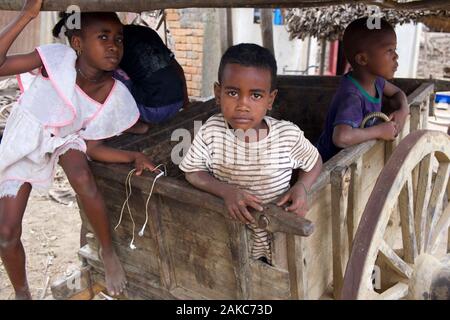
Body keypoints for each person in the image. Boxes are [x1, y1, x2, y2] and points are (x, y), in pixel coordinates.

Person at [0, 0, 156, 299]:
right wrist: (26, 16)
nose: (113, 46)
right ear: (77, 43)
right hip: (27, 136)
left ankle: (108, 254)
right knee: (6, 234)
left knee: (83, 177)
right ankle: (22, 292)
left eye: (118, 39)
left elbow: (94, 147)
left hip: (64, 140)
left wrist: (132, 156)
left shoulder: (116, 94)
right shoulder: (56, 60)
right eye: (103, 37)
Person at [179, 43, 322, 264]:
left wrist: (302, 187)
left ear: (270, 99)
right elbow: (192, 171)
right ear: (218, 93)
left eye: (255, 95)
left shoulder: (287, 135)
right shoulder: (211, 131)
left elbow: (313, 162)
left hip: (279, 236)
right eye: (233, 93)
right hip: (231, 238)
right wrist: (226, 191)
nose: (243, 105)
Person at [316, 17, 409, 162]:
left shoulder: (376, 81)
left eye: (394, 49)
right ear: (363, 59)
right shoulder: (352, 96)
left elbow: (398, 93)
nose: (396, 56)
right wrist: (379, 131)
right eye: (389, 50)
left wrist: (404, 109)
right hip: (328, 166)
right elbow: (341, 138)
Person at [114, 24, 189, 134]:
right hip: (178, 101)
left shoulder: (116, 42)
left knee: (105, 70)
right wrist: (185, 102)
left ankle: (128, 124)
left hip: (150, 110)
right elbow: (177, 68)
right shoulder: (147, 31)